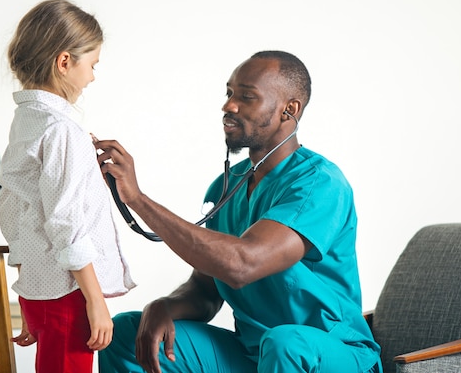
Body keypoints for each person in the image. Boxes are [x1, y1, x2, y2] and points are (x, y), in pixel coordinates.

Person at [95, 50, 381, 373]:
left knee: (285, 344)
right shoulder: (224, 188)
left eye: (247, 97)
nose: (229, 106)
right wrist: (166, 305)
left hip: (331, 356)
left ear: (290, 110)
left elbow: (242, 264)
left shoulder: (320, 185)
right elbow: (206, 290)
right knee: (127, 334)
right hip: (254, 354)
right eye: (230, 93)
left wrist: (138, 200)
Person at [0, 0, 136, 373]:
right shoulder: (62, 130)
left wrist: (28, 292)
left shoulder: (27, 121)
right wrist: (95, 300)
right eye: (91, 65)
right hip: (69, 292)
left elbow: (15, 215)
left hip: (41, 288)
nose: (92, 76)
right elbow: (66, 223)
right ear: (64, 62)